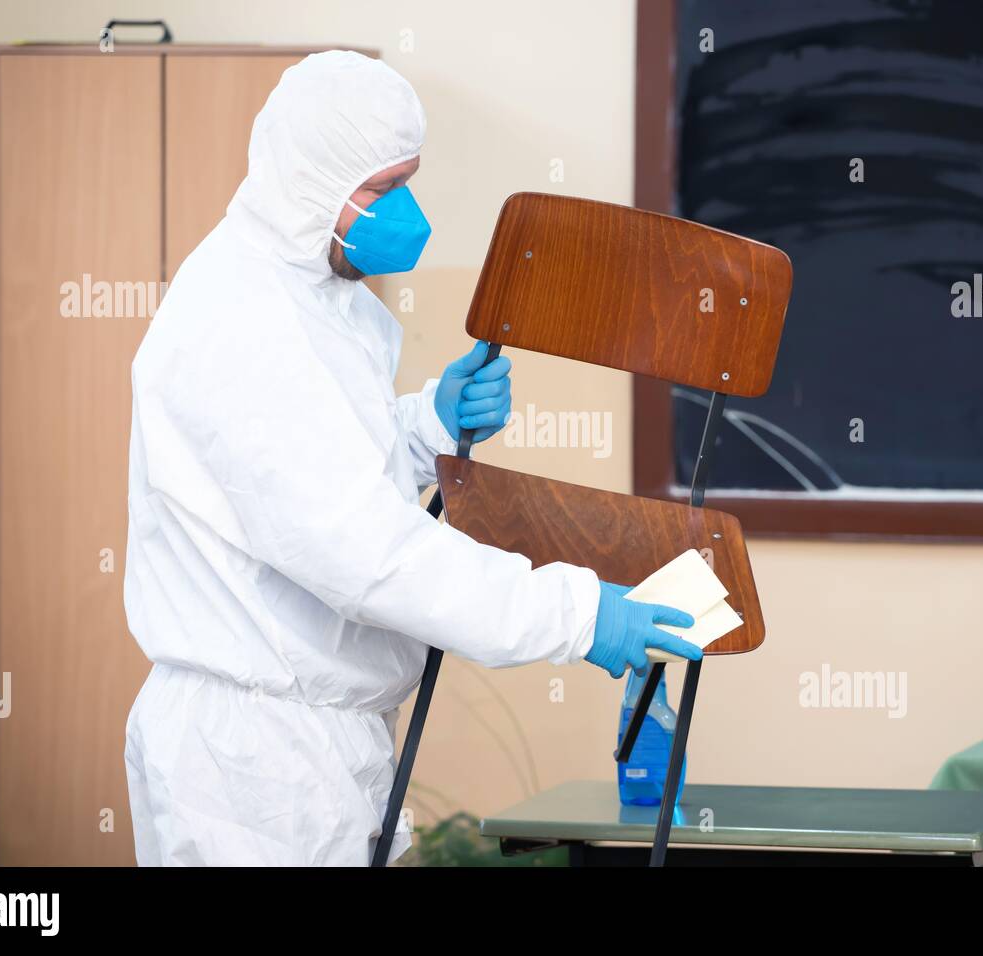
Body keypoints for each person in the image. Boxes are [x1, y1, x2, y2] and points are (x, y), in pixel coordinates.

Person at [122, 50, 701, 867]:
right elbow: (370, 557)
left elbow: (320, 459)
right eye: (381, 188)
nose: (406, 211)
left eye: (409, 179)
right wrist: (574, 614)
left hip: (321, 742)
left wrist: (425, 424)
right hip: (253, 772)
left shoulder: (319, 295)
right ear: (308, 182)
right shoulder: (239, 323)